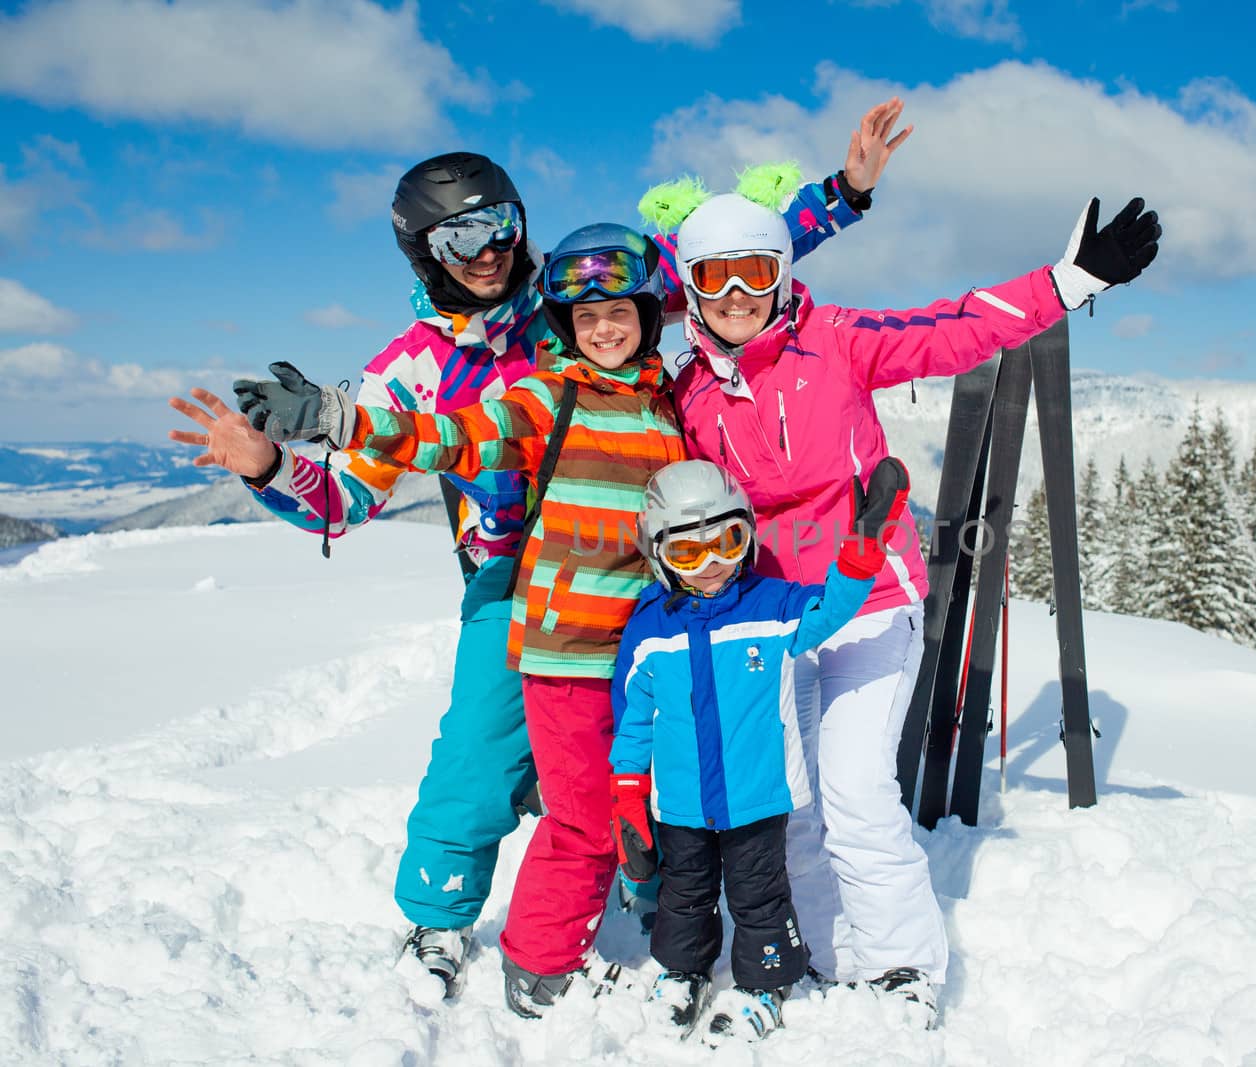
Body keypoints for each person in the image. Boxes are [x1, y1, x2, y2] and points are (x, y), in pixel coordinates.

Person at [165, 101, 908, 999]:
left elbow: (730, 265)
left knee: (650, 752)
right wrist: (273, 464)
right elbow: (345, 496)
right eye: (458, 236)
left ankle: (644, 896)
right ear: (423, 251)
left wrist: (848, 190)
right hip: (516, 574)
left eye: (499, 225)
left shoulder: (576, 289)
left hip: (643, 573)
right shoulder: (416, 365)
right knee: (483, 755)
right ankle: (440, 920)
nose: (485, 249)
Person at [658, 182, 1162, 1022]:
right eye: (717, 277)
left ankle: (901, 966)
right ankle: (824, 947)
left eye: (756, 272)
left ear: (783, 275)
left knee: (854, 787)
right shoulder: (687, 394)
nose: (739, 296)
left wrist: (1069, 281)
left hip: (869, 601)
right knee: (792, 802)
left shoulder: (836, 340)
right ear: (693, 289)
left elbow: (954, 326)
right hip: (771, 616)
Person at [607, 457, 909, 1042]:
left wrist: (861, 552)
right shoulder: (649, 626)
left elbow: (830, 611)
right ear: (658, 556)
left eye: (727, 541)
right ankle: (684, 972)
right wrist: (627, 789)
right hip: (681, 803)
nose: (713, 564)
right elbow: (634, 717)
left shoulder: (769, 606)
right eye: (690, 553)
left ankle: (764, 981)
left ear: (747, 533)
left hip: (757, 796)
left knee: (758, 894)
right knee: (684, 894)